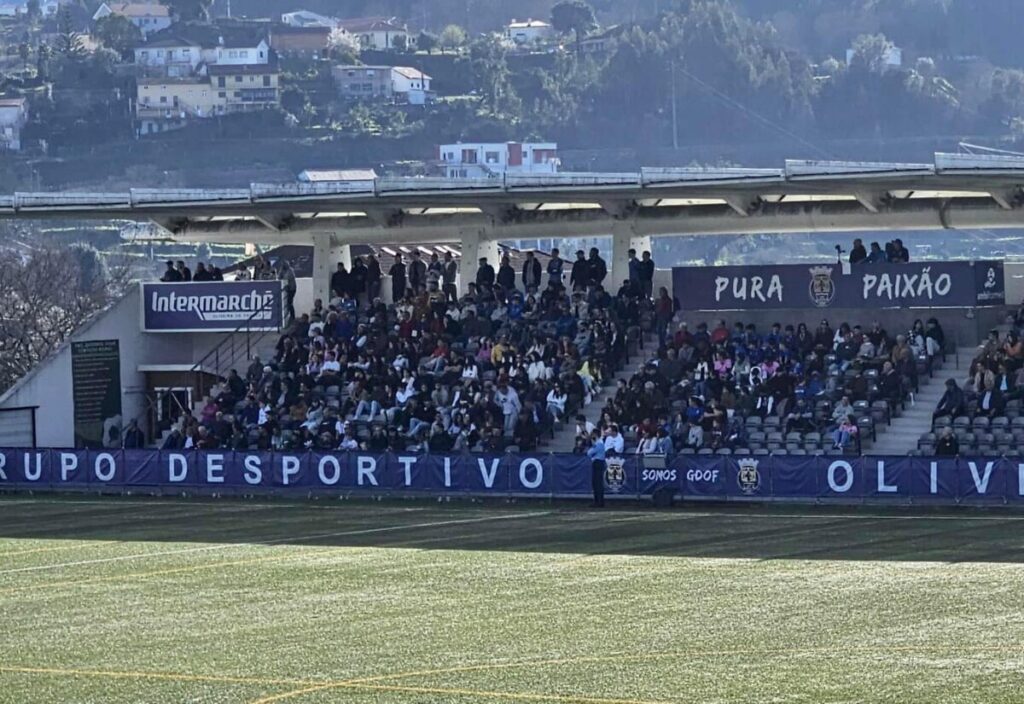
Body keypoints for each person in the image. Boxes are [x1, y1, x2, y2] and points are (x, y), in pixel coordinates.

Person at [586, 428, 607, 508]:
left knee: (597, 482)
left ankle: (598, 501)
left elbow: (589, 453)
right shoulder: (599, 443)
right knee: (597, 482)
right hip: (599, 462)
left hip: (597, 462)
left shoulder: (599, 444)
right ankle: (598, 501)